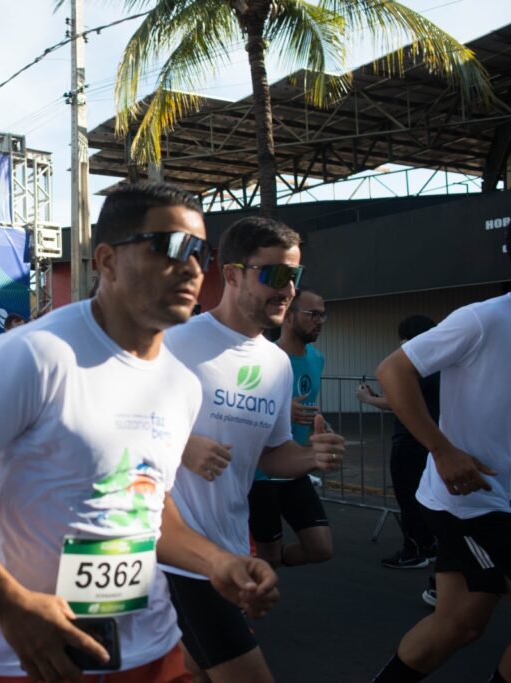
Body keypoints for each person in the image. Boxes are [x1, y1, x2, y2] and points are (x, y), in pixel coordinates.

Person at [0, 181, 281, 683]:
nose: (190, 267)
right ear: (107, 261)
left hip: (151, 649)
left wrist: (218, 562)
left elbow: (150, 508)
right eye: (169, 247)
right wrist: (9, 602)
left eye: (200, 252)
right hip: (36, 655)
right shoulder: (38, 353)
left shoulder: (182, 385)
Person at [164, 216, 345, 682]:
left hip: (229, 547)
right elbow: (111, 428)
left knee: (193, 672)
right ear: (232, 274)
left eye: (296, 276)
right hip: (172, 552)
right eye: (276, 275)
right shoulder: (174, 342)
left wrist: (311, 457)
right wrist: (182, 446)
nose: (289, 289)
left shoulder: (277, 364)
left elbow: (271, 453)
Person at [371, 228, 511, 683]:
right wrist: (443, 450)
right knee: (460, 624)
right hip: (473, 498)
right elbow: (393, 371)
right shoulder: (484, 319)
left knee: (458, 625)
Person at [247, 288, 333, 568]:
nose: (319, 320)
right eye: (312, 314)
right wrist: (281, 411)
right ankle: (249, 580)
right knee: (267, 557)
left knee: (320, 548)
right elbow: (240, 410)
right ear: (287, 316)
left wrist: (323, 431)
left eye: (322, 315)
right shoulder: (263, 358)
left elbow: (309, 411)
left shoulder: (316, 359)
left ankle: (255, 564)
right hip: (261, 474)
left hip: (295, 468)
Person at [356, 315, 440, 570]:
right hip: (430, 439)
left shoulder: (415, 364)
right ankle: (428, 545)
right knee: (424, 496)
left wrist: (368, 399)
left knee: (408, 497)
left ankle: (413, 550)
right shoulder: (439, 364)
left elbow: (401, 401)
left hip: (410, 441)